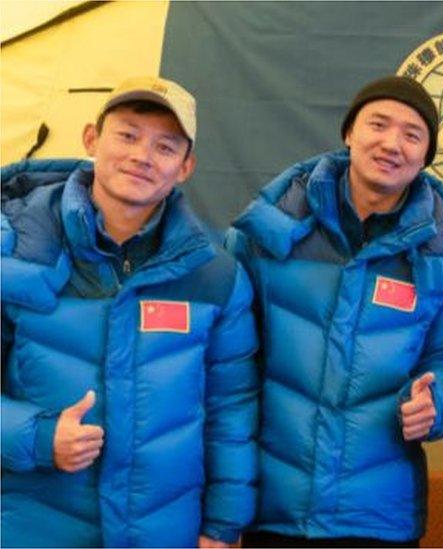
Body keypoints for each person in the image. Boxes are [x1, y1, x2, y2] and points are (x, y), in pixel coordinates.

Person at [0, 76, 259, 547]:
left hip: (162, 532)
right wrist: (36, 437)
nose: (142, 156)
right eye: (128, 135)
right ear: (91, 140)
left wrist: (223, 523)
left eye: (165, 146)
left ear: (185, 167)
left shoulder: (216, 274)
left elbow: (231, 409)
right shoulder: (13, 250)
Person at [227, 75, 443, 547]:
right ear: (349, 133)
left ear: (426, 157)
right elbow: (226, 357)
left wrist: (438, 402)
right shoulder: (273, 227)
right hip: (275, 506)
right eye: (378, 125)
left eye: (412, 134)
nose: (392, 144)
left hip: (378, 515)